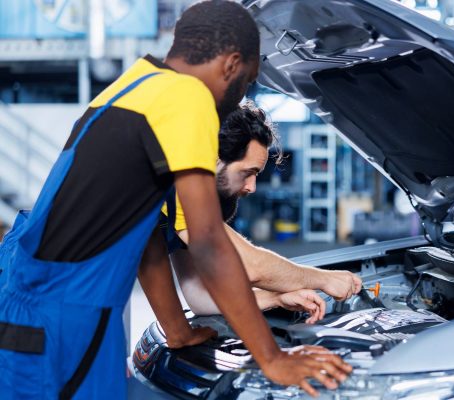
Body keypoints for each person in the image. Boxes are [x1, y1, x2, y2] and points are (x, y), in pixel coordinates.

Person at [0, 1, 349, 398]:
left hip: (34, 301)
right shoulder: (189, 100)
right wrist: (273, 359)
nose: (239, 96)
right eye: (247, 80)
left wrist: (178, 332)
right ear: (231, 65)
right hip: (65, 314)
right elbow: (208, 246)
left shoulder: (139, 83)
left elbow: (145, 238)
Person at [167, 101, 362, 324]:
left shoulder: (178, 213)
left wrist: (276, 298)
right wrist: (324, 279)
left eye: (256, 175)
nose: (252, 187)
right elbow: (251, 267)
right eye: (247, 172)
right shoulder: (180, 184)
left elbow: (200, 297)